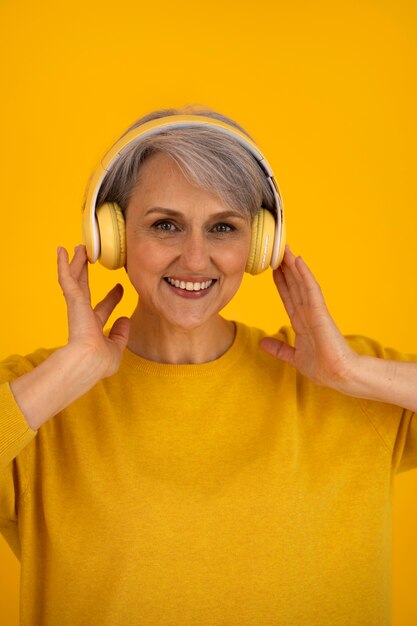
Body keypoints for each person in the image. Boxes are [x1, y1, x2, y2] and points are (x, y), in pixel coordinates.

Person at [0, 105, 416, 626]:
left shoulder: (352, 386)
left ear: (260, 246)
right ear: (113, 237)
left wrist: (357, 374)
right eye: (166, 225)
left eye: (223, 227)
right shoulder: (34, 400)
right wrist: (70, 372)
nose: (196, 260)